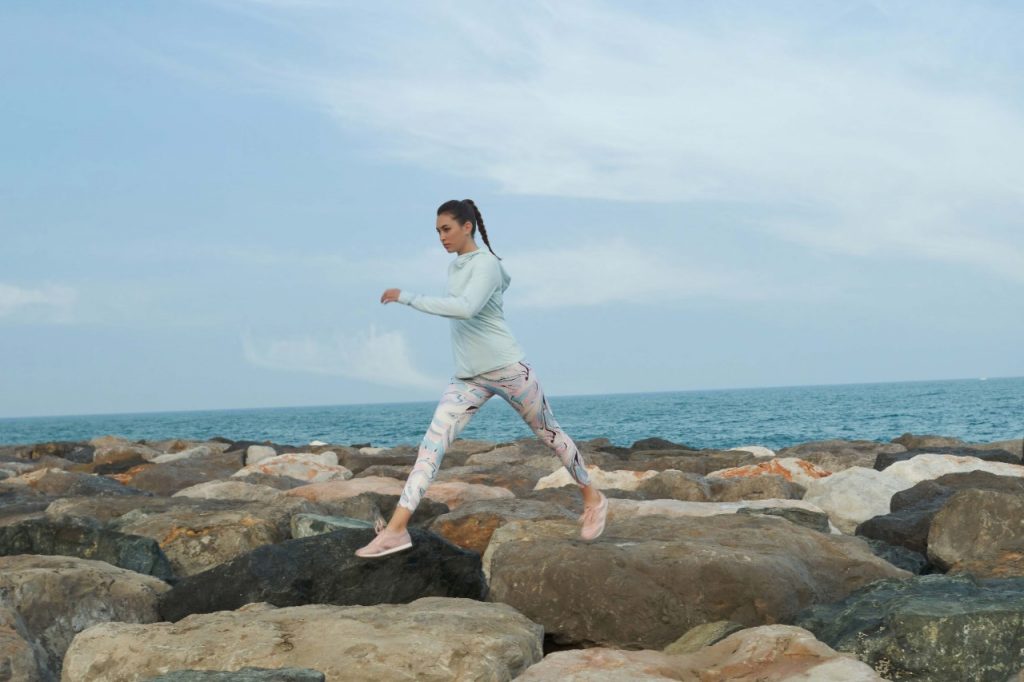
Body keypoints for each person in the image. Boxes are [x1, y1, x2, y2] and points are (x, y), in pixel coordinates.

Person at [355, 199, 608, 558]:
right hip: (468, 378)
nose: (441, 237)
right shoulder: (456, 267)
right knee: (430, 448)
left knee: (550, 434)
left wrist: (407, 297)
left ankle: (593, 498)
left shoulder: (487, 264)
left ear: (467, 226)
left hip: (509, 370)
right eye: (438, 232)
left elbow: (466, 308)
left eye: (447, 229)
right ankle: (397, 530)